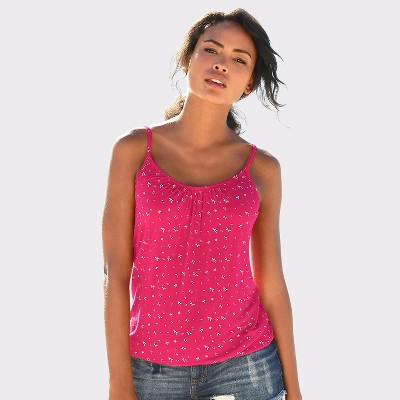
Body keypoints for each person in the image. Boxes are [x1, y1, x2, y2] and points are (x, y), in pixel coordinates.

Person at [102, 8, 302, 400]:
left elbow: (273, 284)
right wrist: (119, 383)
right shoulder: (133, 150)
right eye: (211, 49)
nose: (222, 64)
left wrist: (294, 391)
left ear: (249, 83)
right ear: (188, 58)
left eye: (239, 60)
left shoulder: (263, 169)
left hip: (247, 366)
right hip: (151, 371)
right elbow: (115, 271)